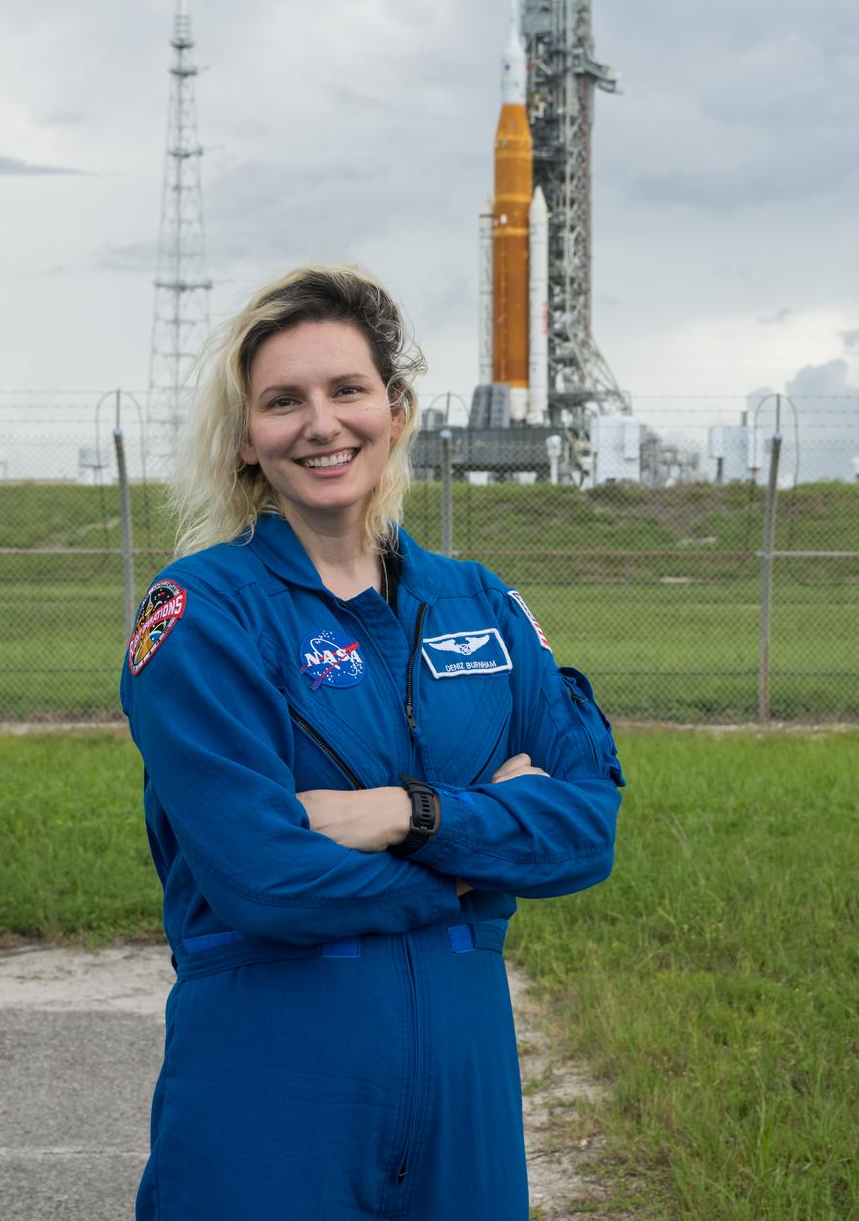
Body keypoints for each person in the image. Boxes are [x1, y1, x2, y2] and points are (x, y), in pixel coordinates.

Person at [120, 264, 624, 1221]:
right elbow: (264, 878)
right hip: (271, 1088)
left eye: (347, 390)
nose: (322, 424)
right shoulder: (202, 613)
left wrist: (408, 815)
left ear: (395, 411)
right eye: (283, 401)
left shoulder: (480, 603)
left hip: (466, 1096)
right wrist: (483, 865)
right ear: (245, 440)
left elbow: (586, 828)